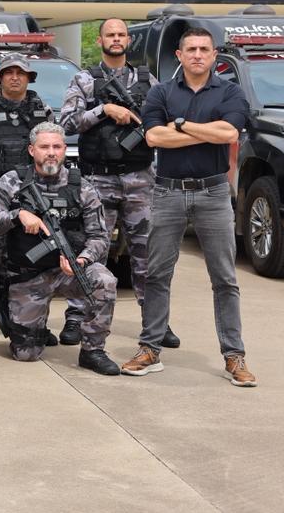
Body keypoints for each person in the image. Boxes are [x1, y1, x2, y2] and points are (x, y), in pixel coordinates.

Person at [121, 27, 256, 386]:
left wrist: (180, 125)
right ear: (179, 56)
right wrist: (205, 131)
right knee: (156, 275)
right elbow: (154, 137)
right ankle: (149, 349)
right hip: (167, 193)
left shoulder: (230, 92)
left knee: (225, 279)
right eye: (191, 49)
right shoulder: (161, 92)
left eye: (204, 49)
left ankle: (234, 355)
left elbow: (229, 134)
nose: (197, 55)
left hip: (214, 194)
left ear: (214, 55)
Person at [0, 123, 120, 375]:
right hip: (28, 274)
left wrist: (83, 259)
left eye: (57, 147)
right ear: (31, 150)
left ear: (65, 149)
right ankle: (31, 325)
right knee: (25, 354)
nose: (51, 153)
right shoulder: (12, 181)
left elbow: (100, 236)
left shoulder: (82, 187)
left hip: (69, 271)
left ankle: (93, 351)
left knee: (104, 281)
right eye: (44, 147)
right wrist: (17, 215)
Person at [60, 18, 166, 348]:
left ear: (128, 41)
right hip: (98, 178)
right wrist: (104, 110)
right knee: (92, 250)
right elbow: (67, 123)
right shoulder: (84, 79)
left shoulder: (148, 80)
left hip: (140, 178)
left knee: (146, 253)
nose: (116, 39)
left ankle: (156, 321)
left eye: (121, 34)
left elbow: (161, 120)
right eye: (110, 35)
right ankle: (78, 316)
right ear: (101, 40)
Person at [0, 53, 53, 344]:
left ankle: (31, 320)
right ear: (0, 77)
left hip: (33, 194)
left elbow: (52, 151)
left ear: (29, 78)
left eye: (20, 73)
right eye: (9, 73)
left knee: (32, 259)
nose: (15, 77)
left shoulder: (42, 111)